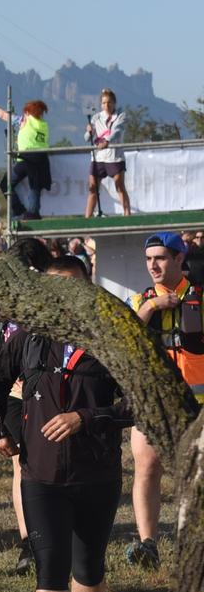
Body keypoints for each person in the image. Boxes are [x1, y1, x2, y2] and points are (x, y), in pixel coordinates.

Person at [0, 253, 130, 592]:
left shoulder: (111, 336)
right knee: (50, 567)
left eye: (71, 286)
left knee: (89, 567)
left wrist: (87, 417)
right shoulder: (27, 337)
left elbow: (136, 404)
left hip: (96, 474)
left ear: (88, 286)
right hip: (40, 474)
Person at [126, 231, 204, 570]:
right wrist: (151, 306)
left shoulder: (200, 296)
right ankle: (148, 543)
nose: (153, 265)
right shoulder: (138, 300)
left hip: (196, 404)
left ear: (179, 259)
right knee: (147, 469)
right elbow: (126, 340)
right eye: (148, 259)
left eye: (160, 258)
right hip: (152, 402)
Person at [0, 94, 52, 219]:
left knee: (6, 184)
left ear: (27, 112)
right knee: (35, 186)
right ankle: (33, 213)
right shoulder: (44, 125)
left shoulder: (24, 121)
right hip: (41, 160)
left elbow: (3, 115)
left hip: (26, 158)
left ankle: (18, 209)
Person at [86, 88, 132, 217]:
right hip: (98, 157)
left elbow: (118, 130)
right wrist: (89, 131)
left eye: (109, 102)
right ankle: (86, 221)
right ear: (101, 104)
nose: (107, 105)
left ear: (114, 103)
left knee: (119, 186)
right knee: (92, 189)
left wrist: (107, 141)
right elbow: (87, 138)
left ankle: (127, 215)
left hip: (114, 157)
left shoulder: (121, 115)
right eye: (104, 103)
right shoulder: (96, 117)